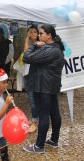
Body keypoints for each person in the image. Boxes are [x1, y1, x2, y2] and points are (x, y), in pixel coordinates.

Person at [22, 24, 65, 154]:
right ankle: (54, 140)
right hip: (50, 86)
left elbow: (26, 57)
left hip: (43, 87)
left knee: (44, 114)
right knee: (54, 113)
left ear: (49, 35)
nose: (39, 36)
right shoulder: (55, 48)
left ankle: (39, 146)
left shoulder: (49, 49)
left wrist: (34, 45)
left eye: (41, 33)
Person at [23, 24, 39, 133]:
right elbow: (25, 55)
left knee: (34, 100)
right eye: (30, 32)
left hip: (36, 74)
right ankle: (34, 118)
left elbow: (29, 57)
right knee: (31, 98)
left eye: (34, 31)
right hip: (27, 73)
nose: (32, 34)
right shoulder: (28, 43)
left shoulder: (40, 44)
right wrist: (26, 40)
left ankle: (35, 122)